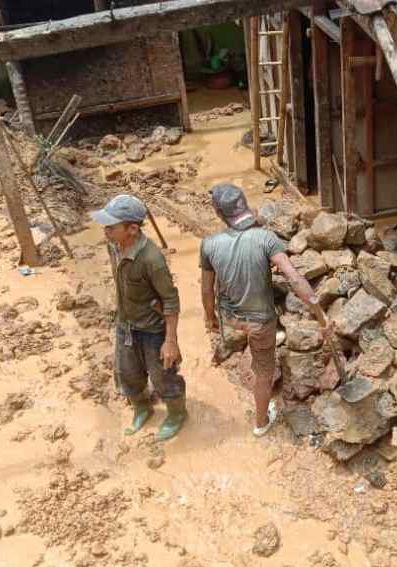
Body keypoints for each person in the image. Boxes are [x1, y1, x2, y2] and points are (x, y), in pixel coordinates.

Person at [200, 184, 330, 437]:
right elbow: (293, 278)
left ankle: (238, 346)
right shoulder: (265, 238)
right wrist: (321, 315)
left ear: (218, 213)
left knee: (246, 337)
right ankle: (260, 423)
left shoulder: (209, 245)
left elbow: (207, 290)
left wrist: (210, 319)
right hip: (260, 323)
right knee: (264, 372)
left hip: (231, 318)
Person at [91, 194, 187, 442]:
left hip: (152, 331)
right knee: (127, 373)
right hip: (126, 324)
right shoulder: (113, 246)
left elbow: (171, 301)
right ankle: (142, 408)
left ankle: (177, 414)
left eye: (112, 226)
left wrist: (171, 341)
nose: (106, 230)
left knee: (163, 376)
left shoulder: (152, 260)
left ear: (132, 229)